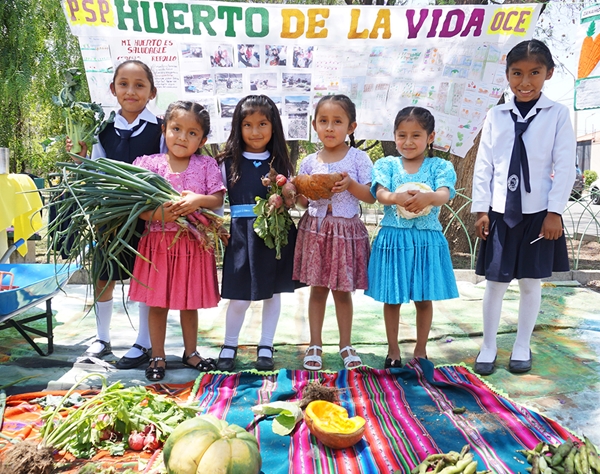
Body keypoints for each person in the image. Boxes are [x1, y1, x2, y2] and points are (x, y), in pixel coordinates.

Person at [471, 39, 575, 375]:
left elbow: (566, 164)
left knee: (530, 282)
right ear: (507, 74)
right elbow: (484, 164)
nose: (525, 81)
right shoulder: (496, 115)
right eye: (517, 73)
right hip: (501, 213)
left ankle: (521, 344)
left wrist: (555, 212)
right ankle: (488, 345)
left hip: (538, 215)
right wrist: (481, 208)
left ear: (549, 74)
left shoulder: (557, 114)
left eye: (534, 73)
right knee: (495, 283)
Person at [67, 60, 165, 369]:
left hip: (147, 217)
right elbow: (95, 170)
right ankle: (102, 338)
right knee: (103, 275)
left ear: (152, 92)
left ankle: (144, 342)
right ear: (113, 89)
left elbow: (166, 170)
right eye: (123, 84)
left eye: (139, 85)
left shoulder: (161, 129)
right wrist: (79, 157)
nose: (131, 91)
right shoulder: (103, 130)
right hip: (111, 218)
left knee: (145, 279)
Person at [129, 101, 225, 381]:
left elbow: (218, 199)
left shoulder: (206, 165)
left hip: (192, 245)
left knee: (188, 302)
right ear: (164, 130)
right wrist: (157, 213)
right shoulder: (149, 165)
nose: (182, 137)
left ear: (203, 140)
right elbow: (136, 206)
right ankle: (157, 355)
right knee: (157, 304)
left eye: (192, 133)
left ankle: (191, 352)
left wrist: (197, 200)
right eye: (176, 129)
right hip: (157, 244)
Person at [366, 106, 459, 368]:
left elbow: (444, 194)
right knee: (392, 297)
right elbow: (380, 194)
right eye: (402, 135)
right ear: (394, 136)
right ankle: (393, 350)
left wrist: (429, 197)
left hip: (426, 240)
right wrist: (395, 198)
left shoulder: (440, 166)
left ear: (430, 137)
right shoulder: (386, 165)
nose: (408, 142)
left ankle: (420, 350)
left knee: (423, 296)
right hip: (394, 239)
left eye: (416, 135)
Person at [216, 95, 298, 372]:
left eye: (262, 124)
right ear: (238, 128)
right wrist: (216, 227)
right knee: (239, 297)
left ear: (273, 126)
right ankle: (229, 344)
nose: (255, 131)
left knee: (273, 294)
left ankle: (266, 345)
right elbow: (216, 201)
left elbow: (292, 199)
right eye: (247, 125)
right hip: (240, 235)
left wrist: (289, 197)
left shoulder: (281, 164)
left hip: (274, 237)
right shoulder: (226, 162)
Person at [294, 95, 374, 371]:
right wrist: (292, 190)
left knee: (342, 292)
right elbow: (303, 201)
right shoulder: (308, 162)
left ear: (351, 127)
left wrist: (350, 184)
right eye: (323, 121)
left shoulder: (358, 158)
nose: (329, 127)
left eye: (337, 122)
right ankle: (314, 343)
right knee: (317, 290)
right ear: (314, 125)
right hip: (315, 230)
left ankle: (345, 344)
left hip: (345, 230)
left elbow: (371, 196)